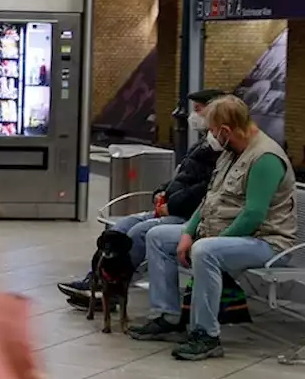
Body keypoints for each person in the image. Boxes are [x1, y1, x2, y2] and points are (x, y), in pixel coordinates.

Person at [129, 95, 298, 361]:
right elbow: (210, 198)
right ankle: (168, 317)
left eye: (212, 130)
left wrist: (206, 240)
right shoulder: (231, 153)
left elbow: (253, 216)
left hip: (267, 242)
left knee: (206, 251)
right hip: (223, 233)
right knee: (158, 236)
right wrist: (188, 231)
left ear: (226, 131)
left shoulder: (265, 158)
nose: (210, 136)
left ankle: (206, 335)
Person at [58, 88, 225, 305]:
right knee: (120, 228)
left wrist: (171, 205)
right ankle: (96, 280)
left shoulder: (219, 148)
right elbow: (182, 177)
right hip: (172, 207)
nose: (192, 116)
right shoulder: (204, 142)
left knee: (138, 233)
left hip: (188, 215)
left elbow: (205, 189)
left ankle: (112, 288)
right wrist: (161, 192)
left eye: (198, 110)